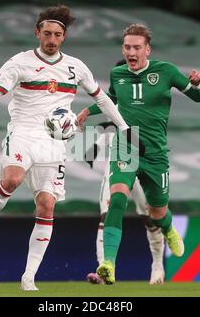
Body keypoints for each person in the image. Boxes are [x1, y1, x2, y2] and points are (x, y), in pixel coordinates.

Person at [0, 5, 131, 291]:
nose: (51, 39)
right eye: (47, 33)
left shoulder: (76, 67)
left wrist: (125, 128)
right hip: (23, 133)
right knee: (12, 179)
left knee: (47, 204)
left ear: (64, 36)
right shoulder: (19, 63)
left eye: (57, 34)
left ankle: (28, 277)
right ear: (37, 33)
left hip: (55, 142)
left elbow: (103, 99)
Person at [77, 23, 200, 285]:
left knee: (157, 213)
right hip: (126, 146)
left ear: (147, 49)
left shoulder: (166, 71)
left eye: (137, 47)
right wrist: (86, 112)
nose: (131, 52)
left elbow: (199, 98)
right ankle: (108, 264)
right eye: (127, 47)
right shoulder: (118, 74)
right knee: (116, 200)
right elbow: (109, 99)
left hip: (155, 153)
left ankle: (168, 229)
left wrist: (196, 85)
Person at [85, 121, 165, 285]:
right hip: (116, 172)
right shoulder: (112, 128)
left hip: (140, 171)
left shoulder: (144, 121)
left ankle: (157, 265)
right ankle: (104, 268)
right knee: (106, 216)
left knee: (150, 218)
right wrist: (92, 151)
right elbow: (93, 149)